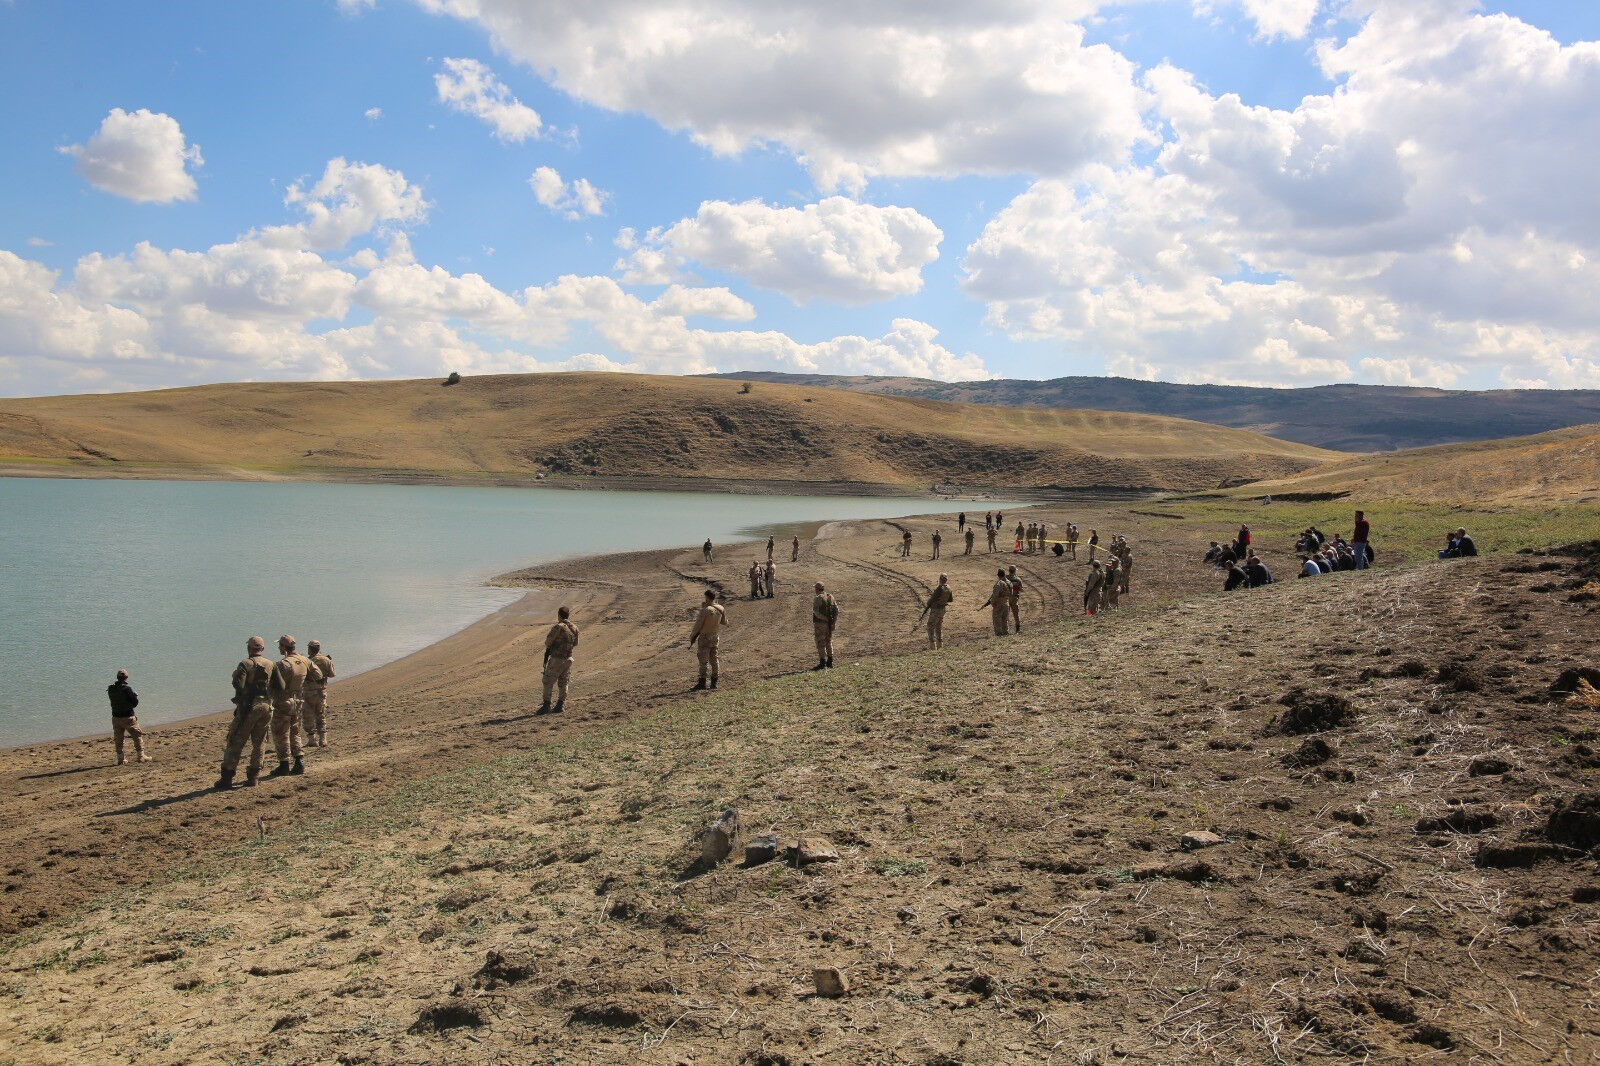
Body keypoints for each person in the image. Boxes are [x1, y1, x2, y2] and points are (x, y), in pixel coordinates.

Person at [216, 636, 273, 790]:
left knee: (235, 740)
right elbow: (279, 685)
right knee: (259, 742)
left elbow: (239, 685)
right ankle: (254, 777)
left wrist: (236, 678)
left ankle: (227, 777)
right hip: (267, 705)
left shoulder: (245, 664)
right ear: (262, 649)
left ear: (249, 648)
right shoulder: (270, 664)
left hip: (249, 706)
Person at [268, 635, 312, 778]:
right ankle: (299, 761)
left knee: (280, 733)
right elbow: (316, 675)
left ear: (283, 647)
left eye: (280, 645)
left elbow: (273, 685)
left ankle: (284, 764)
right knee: (295, 731)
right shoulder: (304, 661)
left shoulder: (283, 664)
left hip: (284, 701)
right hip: (298, 700)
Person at [540, 606, 579, 714]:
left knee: (548, 681)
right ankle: (560, 705)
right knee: (563, 682)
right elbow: (575, 643)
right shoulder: (575, 627)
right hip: (568, 658)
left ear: (559, 615)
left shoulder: (558, 627)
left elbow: (548, 642)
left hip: (557, 658)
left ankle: (546, 706)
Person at [687, 589, 727, 691]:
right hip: (715, 636)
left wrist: (692, 637)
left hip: (705, 638)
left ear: (707, 598)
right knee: (714, 659)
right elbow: (725, 622)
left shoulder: (705, 610)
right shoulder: (720, 608)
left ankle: (702, 683)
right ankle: (714, 683)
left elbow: (698, 626)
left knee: (703, 661)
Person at [106, 669, 147, 765]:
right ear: (126, 678)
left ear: (117, 677)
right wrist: (135, 696)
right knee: (137, 736)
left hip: (116, 718)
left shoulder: (111, 689)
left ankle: (121, 759)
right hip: (128, 717)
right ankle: (141, 756)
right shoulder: (127, 689)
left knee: (119, 738)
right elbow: (134, 703)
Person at [302, 639, 336, 748]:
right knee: (321, 714)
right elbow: (332, 674)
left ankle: (312, 740)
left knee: (308, 716)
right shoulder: (326, 660)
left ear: (310, 649)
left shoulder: (306, 661)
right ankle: (323, 739)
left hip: (308, 692)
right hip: (321, 691)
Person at [920, 574, 954, 648]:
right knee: (938, 626)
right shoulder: (948, 588)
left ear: (940, 579)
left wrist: (930, 603)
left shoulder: (939, 588)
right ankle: (940, 644)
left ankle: (932, 645)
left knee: (930, 626)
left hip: (936, 610)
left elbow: (931, 600)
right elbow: (950, 599)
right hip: (943, 609)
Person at [811, 582, 838, 670]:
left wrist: (824, 618)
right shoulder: (830, 596)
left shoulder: (818, 598)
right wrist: (833, 622)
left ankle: (823, 663)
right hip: (829, 624)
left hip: (820, 624)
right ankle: (830, 661)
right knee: (828, 642)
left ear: (817, 589)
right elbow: (836, 610)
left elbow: (816, 612)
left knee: (820, 643)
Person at [980, 568, 1012, 635]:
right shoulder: (1009, 582)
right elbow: (1011, 593)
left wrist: (993, 602)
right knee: (1005, 619)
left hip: (999, 604)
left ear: (998, 575)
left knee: (997, 620)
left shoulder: (999, 583)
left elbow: (995, 595)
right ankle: (1006, 633)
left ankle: (999, 634)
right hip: (1006, 603)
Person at [1007, 565, 1024, 633]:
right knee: (1016, 614)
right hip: (1014, 598)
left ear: (1009, 570)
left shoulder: (1005, 578)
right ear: (1014, 571)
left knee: (1006, 614)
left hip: (1007, 598)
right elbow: (1021, 590)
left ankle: (1006, 629)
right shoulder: (1018, 579)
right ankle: (1018, 628)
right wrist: (1016, 588)